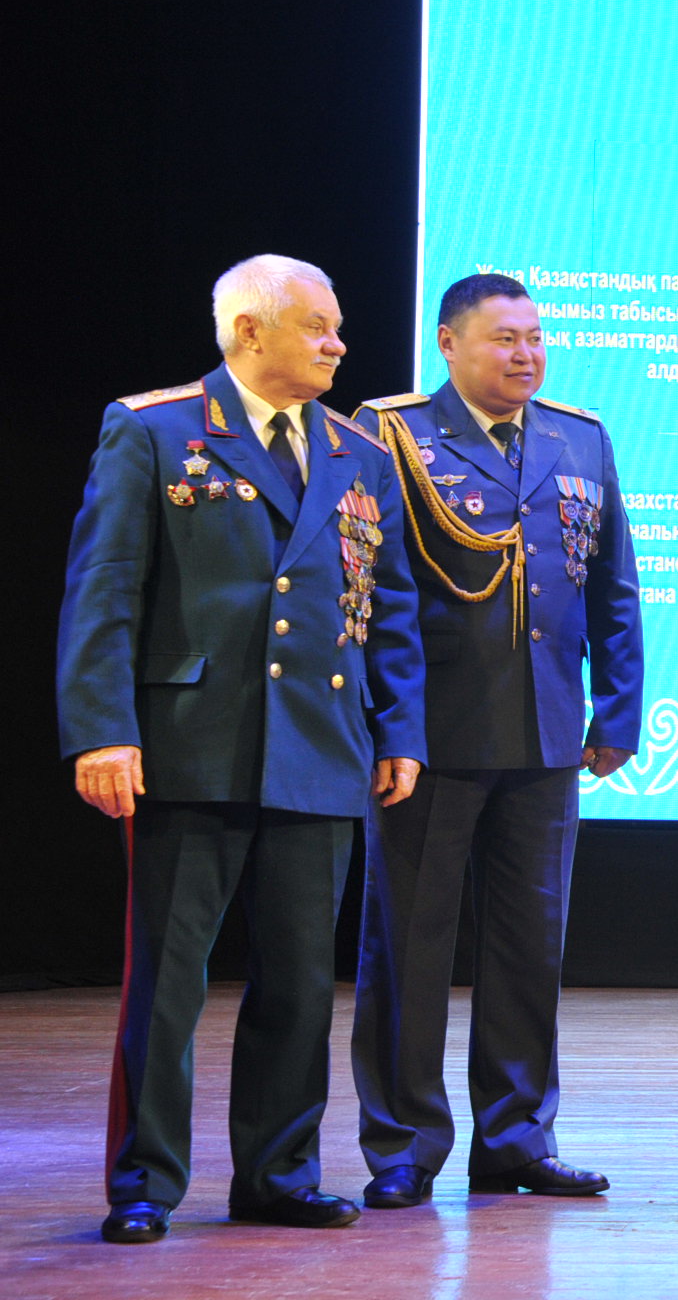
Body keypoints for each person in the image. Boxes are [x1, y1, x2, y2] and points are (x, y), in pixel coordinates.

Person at [57, 254, 425, 1243]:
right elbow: (104, 591)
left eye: (338, 326)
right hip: (190, 745)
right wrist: (102, 730)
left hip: (319, 745)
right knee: (168, 985)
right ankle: (144, 1182)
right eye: (318, 326)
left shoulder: (361, 453)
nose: (339, 344)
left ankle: (278, 1170)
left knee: (302, 983)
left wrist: (399, 730)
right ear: (248, 331)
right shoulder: (156, 428)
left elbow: (387, 606)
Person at [350, 273, 643, 1207]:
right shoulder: (389, 431)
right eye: (503, 339)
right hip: (428, 735)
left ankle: (516, 1137)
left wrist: (621, 707)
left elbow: (613, 584)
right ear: (448, 343)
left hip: (548, 730)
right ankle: (404, 1144)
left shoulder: (578, 436)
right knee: (412, 946)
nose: (525, 354)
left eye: (535, 337)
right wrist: (387, 725)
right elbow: (371, 596)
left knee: (528, 948)